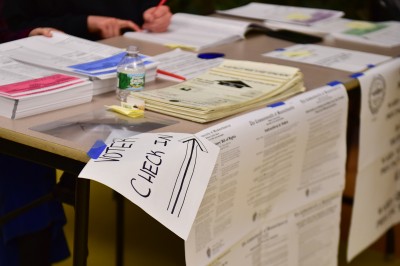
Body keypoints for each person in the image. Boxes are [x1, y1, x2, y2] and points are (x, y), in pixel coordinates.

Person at [2, 0, 172, 41]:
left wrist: (155, 13)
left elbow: (147, 7)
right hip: (65, 58)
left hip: (136, 49)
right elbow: (15, 28)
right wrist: (86, 23)